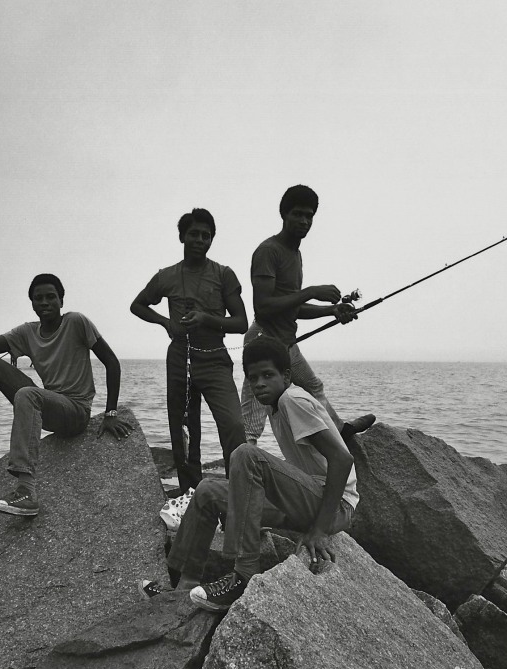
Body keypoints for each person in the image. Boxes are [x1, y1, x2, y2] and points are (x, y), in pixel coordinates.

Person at [143, 335, 359, 611]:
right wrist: (253, 506)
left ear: (287, 375)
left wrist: (318, 531)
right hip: (309, 499)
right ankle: (184, 587)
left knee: (246, 454)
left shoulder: (293, 400)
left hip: (335, 506)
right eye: (252, 377)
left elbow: (342, 459)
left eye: (268, 375)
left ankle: (243, 574)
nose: (259, 384)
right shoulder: (276, 405)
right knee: (208, 491)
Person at [0, 273, 132, 518]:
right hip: (47, 404)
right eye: (38, 299)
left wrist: (111, 412)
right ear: (32, 304)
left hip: (75, 411)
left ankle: (27, 490)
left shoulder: (77, 322)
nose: (45, 302)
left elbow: (111, 362)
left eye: (51, 297)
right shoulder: (27, 332)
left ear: (61, 301)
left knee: (27, 394)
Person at [240, 184, 375, 445]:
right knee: (254, 416)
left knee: (314, 389)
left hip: (286, 343)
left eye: (309, 215)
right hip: (263, 340)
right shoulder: (268, 251)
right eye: (298, 214)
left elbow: (292, 307)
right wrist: (312, 291)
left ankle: (340, 432)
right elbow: (264, 306)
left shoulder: (296, 254)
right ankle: (243, 469)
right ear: (284, 215)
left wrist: (332, 311)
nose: (304, 221)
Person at [130, 207, 248, 491]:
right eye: (194, 234)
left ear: (211, 241)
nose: (200, 240)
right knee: (183, 428)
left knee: (233, 425)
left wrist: (206, 318)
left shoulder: (223, 274)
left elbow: (242, 323)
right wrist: (165, 323)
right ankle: (189, 493)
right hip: (180, 358)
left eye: (206, 236)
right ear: (182, 236)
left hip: (214, 359)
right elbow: (137, 305)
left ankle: (239, 490)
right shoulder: (167, 276)